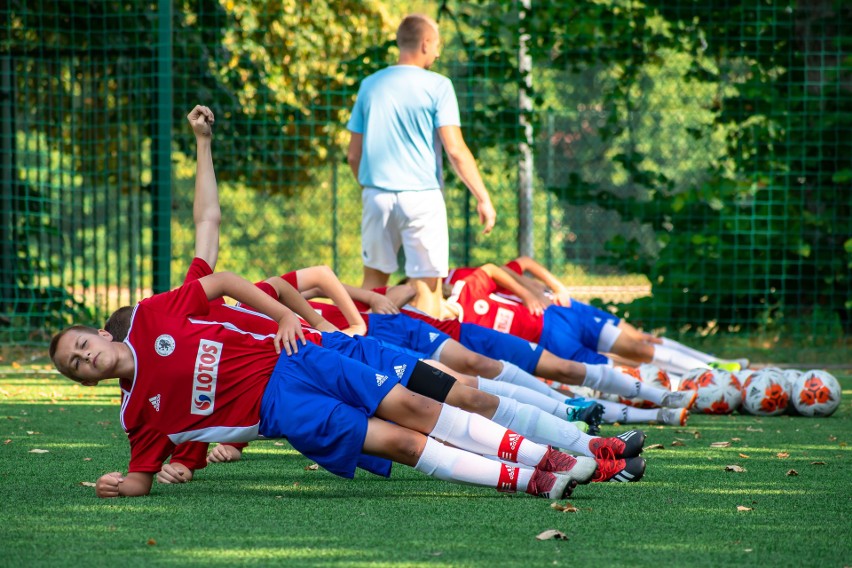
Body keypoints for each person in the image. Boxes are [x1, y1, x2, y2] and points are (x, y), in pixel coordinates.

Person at [90, 105, 644, 493]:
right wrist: (193, 460)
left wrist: (203, 144)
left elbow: (220, 234)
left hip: (343, 353)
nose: (157, 318)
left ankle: (588, 448)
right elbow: (197, 417)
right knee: (413, 430)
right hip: (300, 385)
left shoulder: (194, 305)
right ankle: (563, 461)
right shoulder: (169, 359)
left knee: (461, 392)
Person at [347, 13, 496, 318]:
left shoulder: (370, 85)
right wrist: (483, 197)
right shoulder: (439, 86)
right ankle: (428, 361)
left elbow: (353, 155)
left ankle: (366, 355)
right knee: (427, 289)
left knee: (373, 285)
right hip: (422, 199)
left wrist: (371, 188)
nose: (438, 53)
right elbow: (455, 149)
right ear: (426, 43)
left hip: (377, 196)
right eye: (437, 45)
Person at [442, 262, 744, 377]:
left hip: (563, 313)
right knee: (623, 369)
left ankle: (712, 367)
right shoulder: (446, 327)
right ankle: (703, 381)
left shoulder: (463, 283)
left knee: (639, 343)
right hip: (553, 345)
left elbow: (510, 267)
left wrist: (545, 290)